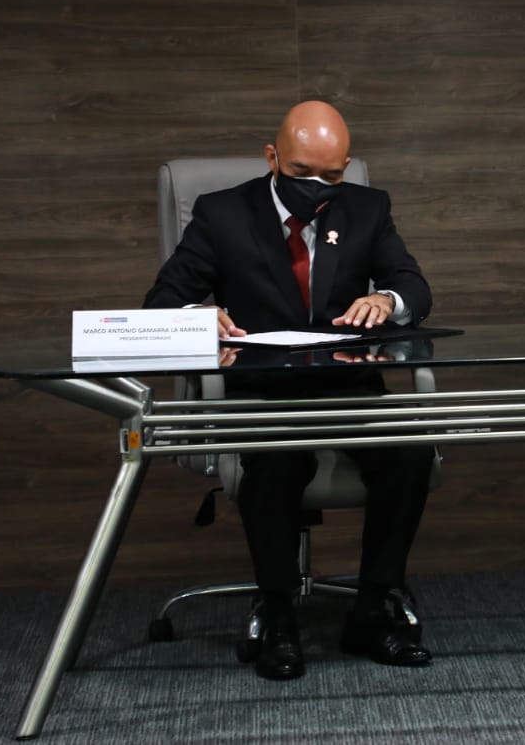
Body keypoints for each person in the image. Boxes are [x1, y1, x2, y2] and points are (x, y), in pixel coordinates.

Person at [144, 100, 435, 679]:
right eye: (302, 173)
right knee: (276, 468)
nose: (317, 188)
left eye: (331, 176)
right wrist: (202, 318)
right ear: (272, 156)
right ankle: (278, 617)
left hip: (346, 385)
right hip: (261, 392)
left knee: (410, 456)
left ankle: (372, 611)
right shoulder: (223, 214)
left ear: (346, 167)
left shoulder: (366, 208)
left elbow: (412, 285)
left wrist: (388, 300)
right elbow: (160, 306)